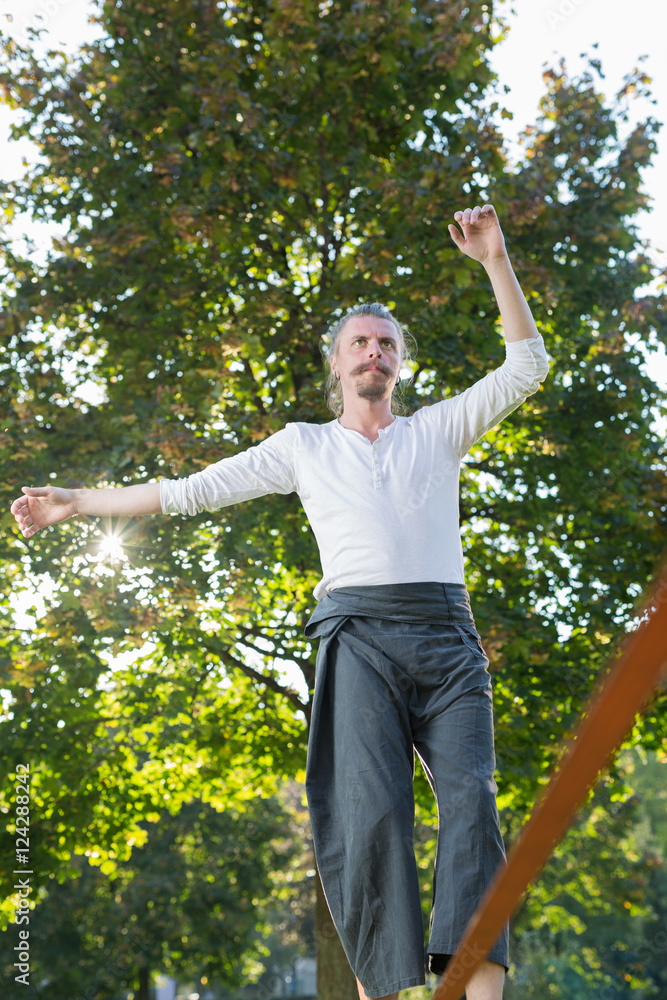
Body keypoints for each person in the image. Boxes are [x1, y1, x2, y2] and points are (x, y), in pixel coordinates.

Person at [11, 204, 549, 999]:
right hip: (358, 639)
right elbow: (191, 491)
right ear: (336, 363)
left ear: (398, 363)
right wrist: (81, 501)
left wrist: (495, 261)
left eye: (386, 342)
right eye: (360, 341)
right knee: (372, 822)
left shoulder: (436, 432)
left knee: (472, 800)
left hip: (445, 641)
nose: (374, 350)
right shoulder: (303, 446)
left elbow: (525, 366)